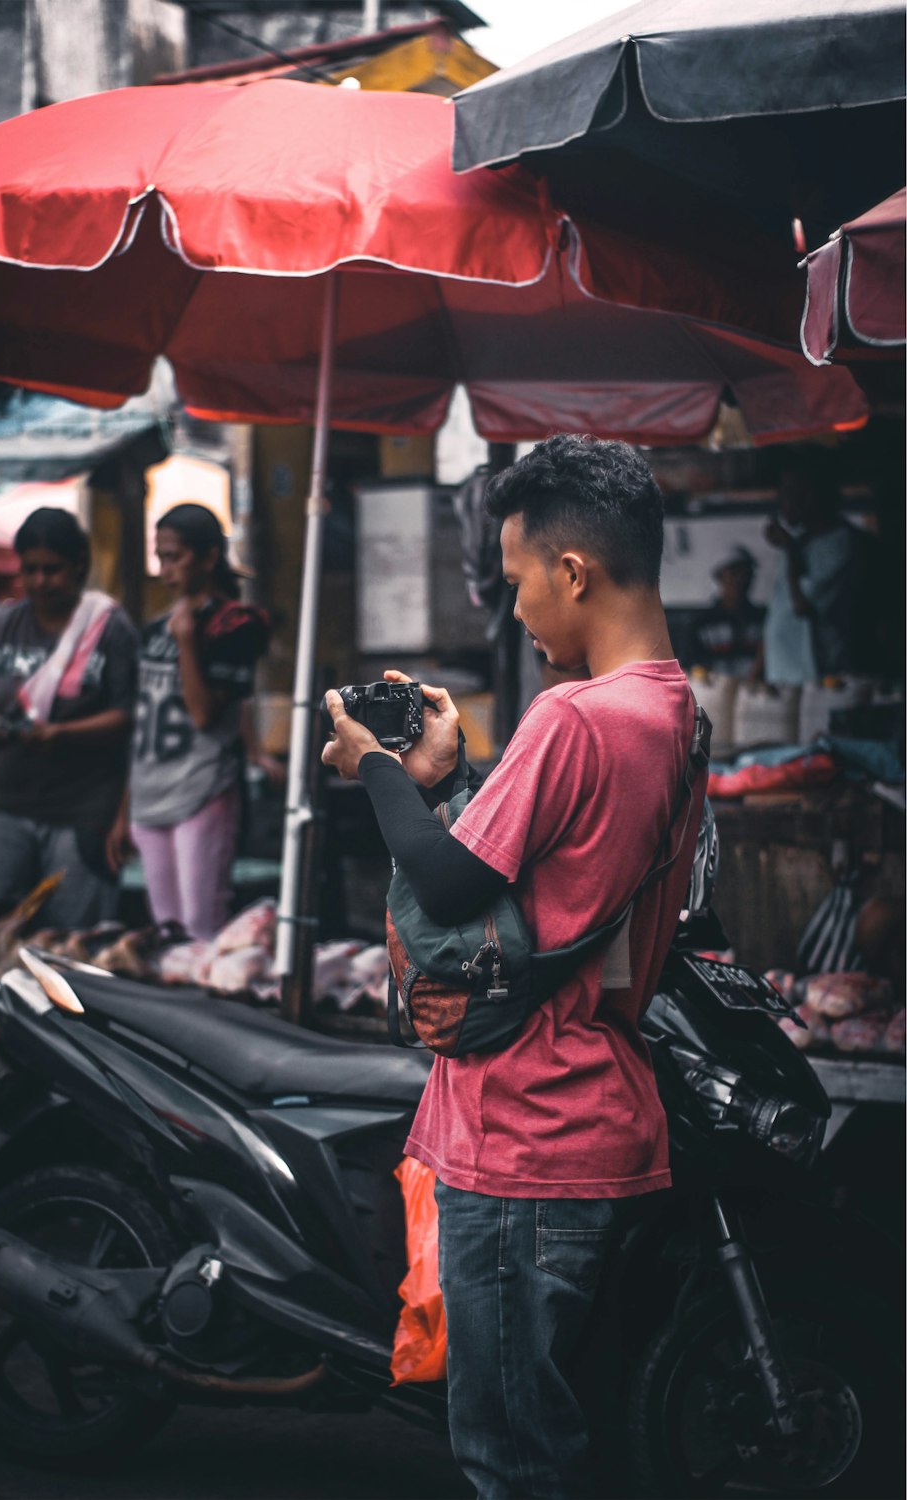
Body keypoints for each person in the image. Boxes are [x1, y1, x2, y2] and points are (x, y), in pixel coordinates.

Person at [322, 434, 706, 1499]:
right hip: (594, 1110)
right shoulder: (676, 714)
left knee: (509, 1455)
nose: (515, 607)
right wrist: (455, 778)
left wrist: (378, 771)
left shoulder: (575, 715)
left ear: (573, 572)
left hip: (523, 1133)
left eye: (517, 580)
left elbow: (448, 889)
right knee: (546, 1434)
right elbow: (567, 873)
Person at [0, 508, 137, 930]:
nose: (41, 581)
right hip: (4, 802)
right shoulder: (2, 627)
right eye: (31, 570)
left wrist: (60, 734)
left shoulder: (109, 629)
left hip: (84, 810)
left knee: (73, 935)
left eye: (53, 569)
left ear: (78, 566)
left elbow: (129, 715)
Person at [107, 503, 276, 941]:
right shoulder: (152, 630)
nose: (165, 569)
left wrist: (187, 641)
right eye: (160, 557)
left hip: (201, 790)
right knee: (166, 931)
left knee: (202, 928)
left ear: (207, 557)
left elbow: (204, 714)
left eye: (174, 557)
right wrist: (124, 811)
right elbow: (141, 727)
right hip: (149, 795)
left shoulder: (236, 624)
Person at [762, 450, 869, 684]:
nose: (783, 502)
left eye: (789, 493)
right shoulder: (800, 540)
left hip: (816, 675)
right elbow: (780, 609)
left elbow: (801, 605)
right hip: (783, 675)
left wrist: (789, 549)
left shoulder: (840, 543)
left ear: (810, 497)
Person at [686, 544, 765, 677]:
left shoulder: (762, 620)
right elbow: (690, 665)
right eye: (734, 573)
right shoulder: (701, 623)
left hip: (755, 695)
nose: (741, 579)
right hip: (714, 694)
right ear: (720, 577)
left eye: (746, 573)